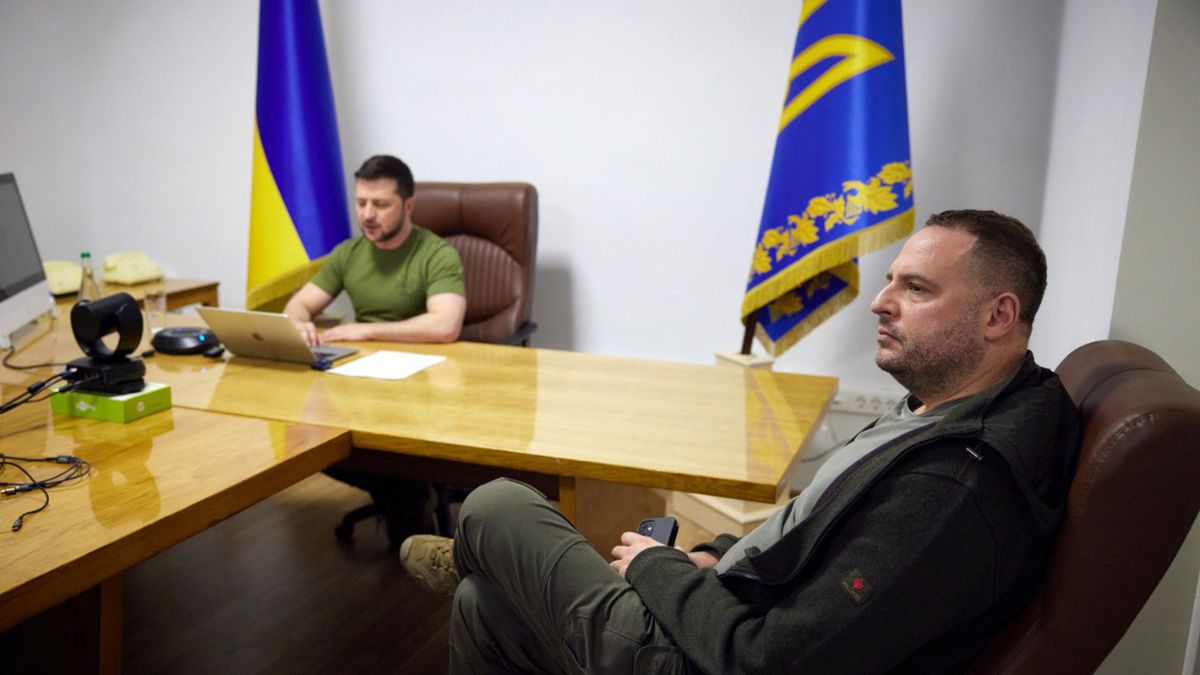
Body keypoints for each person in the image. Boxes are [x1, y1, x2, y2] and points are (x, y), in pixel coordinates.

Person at [400, 209, 1081, 673]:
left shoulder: (955, 489)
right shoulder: (945, 410)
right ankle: (485, 568)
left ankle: (477, 553)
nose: (881, 300)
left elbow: (777, 661)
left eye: (917, 287)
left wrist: (656, 571)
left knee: (496, 504)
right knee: (482, 607)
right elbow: (809, 528)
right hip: (727, 605)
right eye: (890, 280)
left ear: (999, 315)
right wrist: (709, 553)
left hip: (702, 658)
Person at [285, 154, 467, 549]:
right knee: (303, 436)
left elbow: (445, 323)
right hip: (362, 386)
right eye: (361, 202)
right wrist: (298, 321)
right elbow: (298, 305)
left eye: (380, 204)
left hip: (423, 390)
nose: (368, 214)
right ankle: (407, 501)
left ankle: (413, 523)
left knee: (396, 466)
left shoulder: (436, 254)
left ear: (408, 205)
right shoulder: (349, 253)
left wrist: (363, 330)